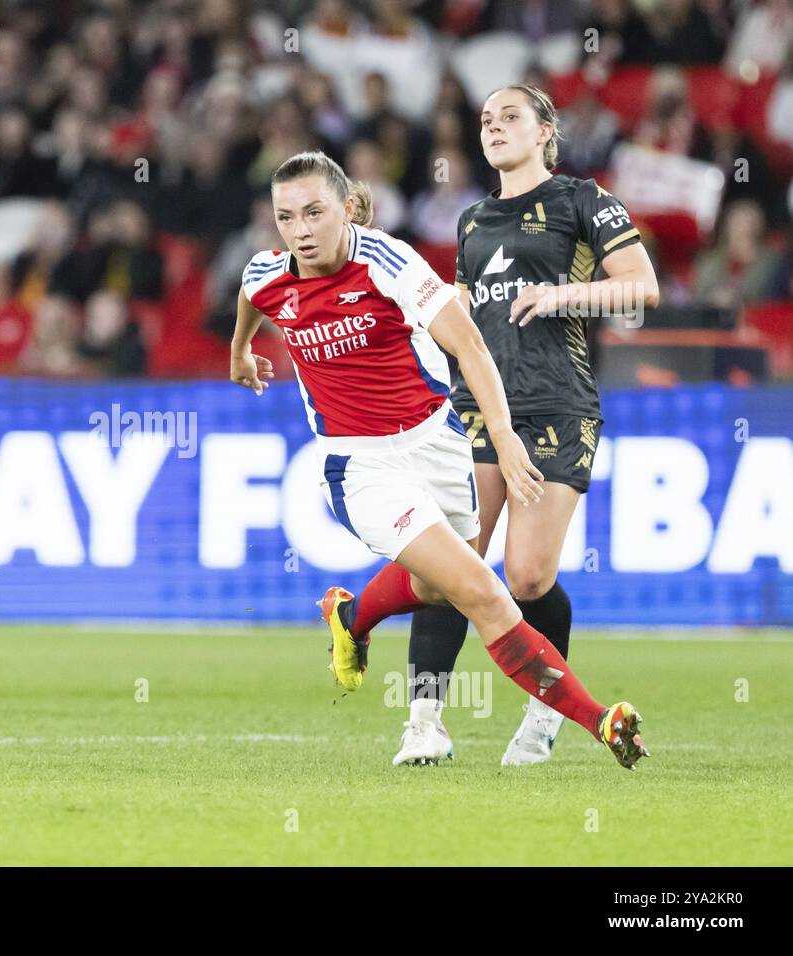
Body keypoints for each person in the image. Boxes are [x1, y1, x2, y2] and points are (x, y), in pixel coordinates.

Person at [230, 150, 649, 771]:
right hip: (361, 465)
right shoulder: (269, 274)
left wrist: (502, 437)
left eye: (315, 213)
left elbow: (470, 344)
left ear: (346, 210)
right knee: (479, 587)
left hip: (439, 444)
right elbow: (249, 293)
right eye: (287, 217)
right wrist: (240, 351)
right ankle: (598, 720)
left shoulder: (390, 263)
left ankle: (350, 616)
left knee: (435, 586)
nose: (301, 231)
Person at [402, 85, 659, 767]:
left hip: (557, 406)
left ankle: (546, 710)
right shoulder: (472, 220)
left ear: (546, 131)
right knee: (452, 563)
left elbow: (641, 284)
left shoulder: (584, 200)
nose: (494, 127)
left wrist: (558, 294)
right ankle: (423, 721)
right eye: (485, 120)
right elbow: (461, 316)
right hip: (482, 410)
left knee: (528, 578)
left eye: (510, 116)